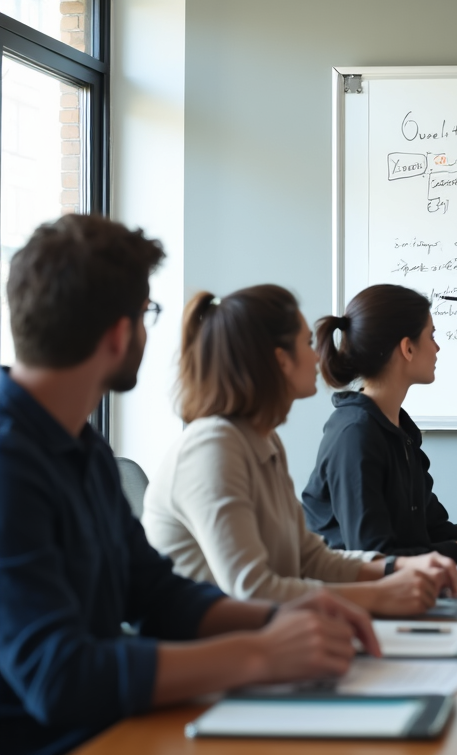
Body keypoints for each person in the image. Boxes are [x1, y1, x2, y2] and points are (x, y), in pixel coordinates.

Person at [0, 215, 382, 755]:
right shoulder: (11, 462)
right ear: (118, 334)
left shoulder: (81, 447)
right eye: (145, 314)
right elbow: (59, 677)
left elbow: (155, 594)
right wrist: (261, 654)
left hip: (119, 727)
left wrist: (287, 617)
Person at [141, 285, 457, 616]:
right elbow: (254, 589)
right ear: (281, 360)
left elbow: (310, 557)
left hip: (264, 639)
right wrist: (380, 595)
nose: (317, 355)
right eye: (307, 343)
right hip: (208, 651)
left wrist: (394, 570)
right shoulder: (212, 450)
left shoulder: (264, 440)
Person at [303, 284, 457, 563]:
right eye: (431, 336)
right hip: (353, 600)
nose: (437, 347)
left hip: (403, 591)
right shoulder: (354, 434)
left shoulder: (400, 430)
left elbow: (432, 529)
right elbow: (372, 554)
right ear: (407, 348)